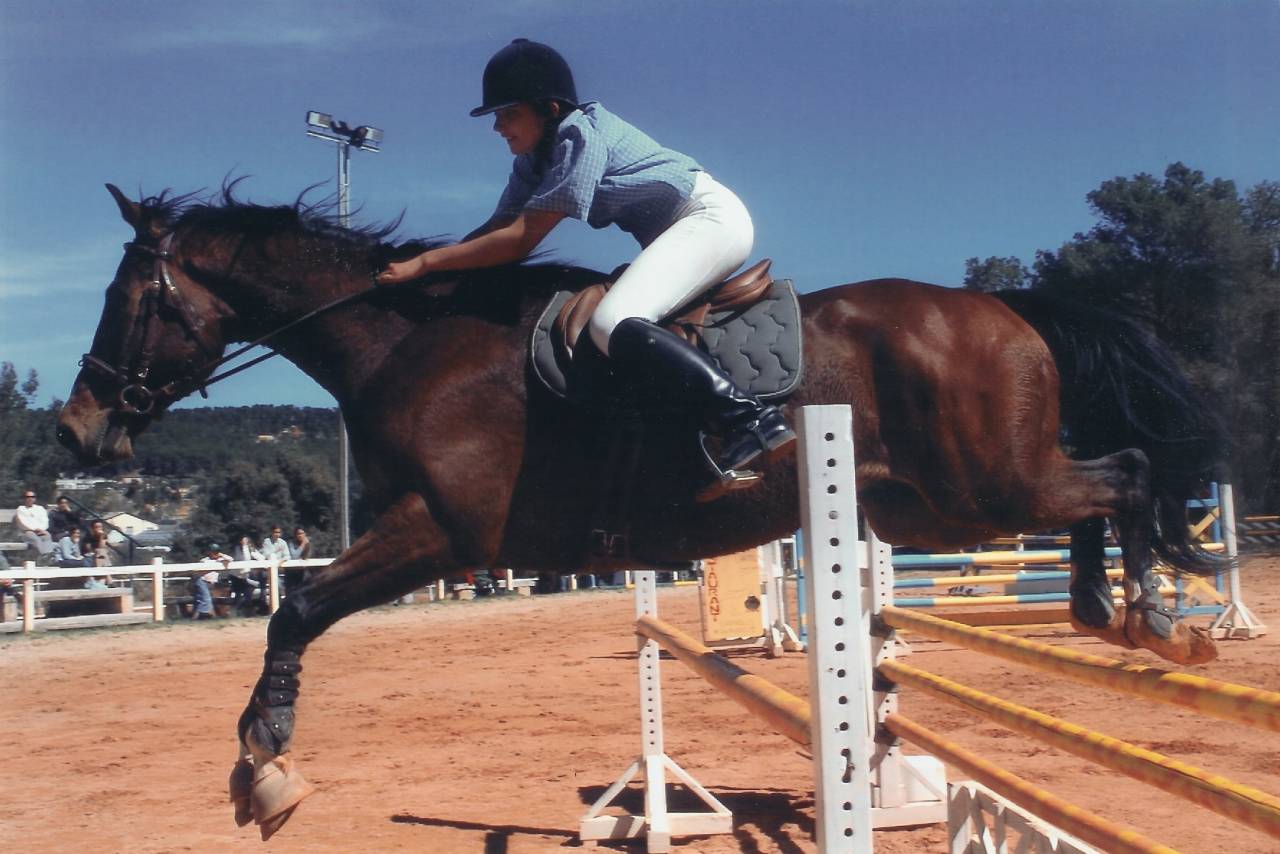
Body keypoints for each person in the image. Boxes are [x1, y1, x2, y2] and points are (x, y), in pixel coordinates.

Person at [376, 39, 794, 499]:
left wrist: (426, 263)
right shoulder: (531, 161)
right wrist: (431, 272)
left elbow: (521, 239)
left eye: (508, 113)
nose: (497, 126)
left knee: (611, 323)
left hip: (709, 220)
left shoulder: (579, 133)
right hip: (679, 230)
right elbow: (499, 227)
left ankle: (751, 419)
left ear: (549, 108)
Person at [195, 543, 232, 620]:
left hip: (211, 583)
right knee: (206, 599)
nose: (215, 554)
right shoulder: (205, 560)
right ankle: (201, 615)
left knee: (204, 599)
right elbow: (198, 571)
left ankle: (198, 616)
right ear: (209, 552)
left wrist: (221, 555)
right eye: (213, 552)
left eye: (216, 552)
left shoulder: (220, 560)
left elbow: (230, 559)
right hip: (203, 581)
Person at [15, 490, 54, 558]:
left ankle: (48, 556)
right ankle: (43, 556)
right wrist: (34, 529)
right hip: (26, 532)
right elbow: (23, 522)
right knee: (34, 538)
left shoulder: (40, 508)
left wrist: (41, 529)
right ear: (25, 498)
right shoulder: (21, 509)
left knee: (47, 535)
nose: (30, 498)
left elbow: (45, 521)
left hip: (40, 531)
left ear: (35, 498)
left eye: (32, 497)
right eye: (28, 497)